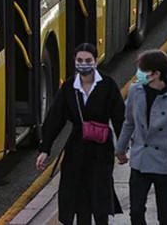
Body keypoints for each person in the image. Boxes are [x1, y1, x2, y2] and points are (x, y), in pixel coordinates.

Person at [37, 43, 126, 225]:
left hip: (102, 149)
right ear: (74, 61)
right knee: (79, 199)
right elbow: (55, 119)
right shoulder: (69, 87)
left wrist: (122, 147)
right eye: (80, 60)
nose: (84, 64)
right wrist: (45, 148)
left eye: (88, 60)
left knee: (100, 196)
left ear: (95, 61)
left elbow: (119, 118)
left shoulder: (108, 85)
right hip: (76, 149)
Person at [115, 50, 167, 225]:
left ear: (156, 74)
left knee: (165, 214)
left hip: (165, 163)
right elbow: (129, 122)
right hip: (140, 161)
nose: (138, 74)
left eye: (142, 70)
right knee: (136, 211)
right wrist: (120, 148)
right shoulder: (135, 91)